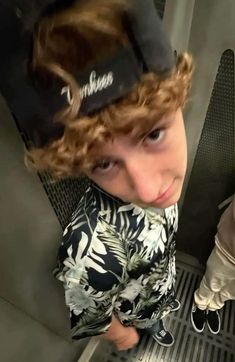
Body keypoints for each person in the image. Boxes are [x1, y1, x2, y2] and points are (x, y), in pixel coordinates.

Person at [25, 0, 193, 351]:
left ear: (179, 100)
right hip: (129, 312)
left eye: (153, 134)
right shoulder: (89, 250)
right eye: (104, 164)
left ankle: (158, 312)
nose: (146, 188)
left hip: (158, 284)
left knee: (158, 308)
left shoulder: (160, 190)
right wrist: (123, 337)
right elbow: (94, 317)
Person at [191, 195, 235, 335]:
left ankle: (214, 306)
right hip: (228, 249)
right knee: (213, 280)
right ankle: (201, 304)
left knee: (231, 292)